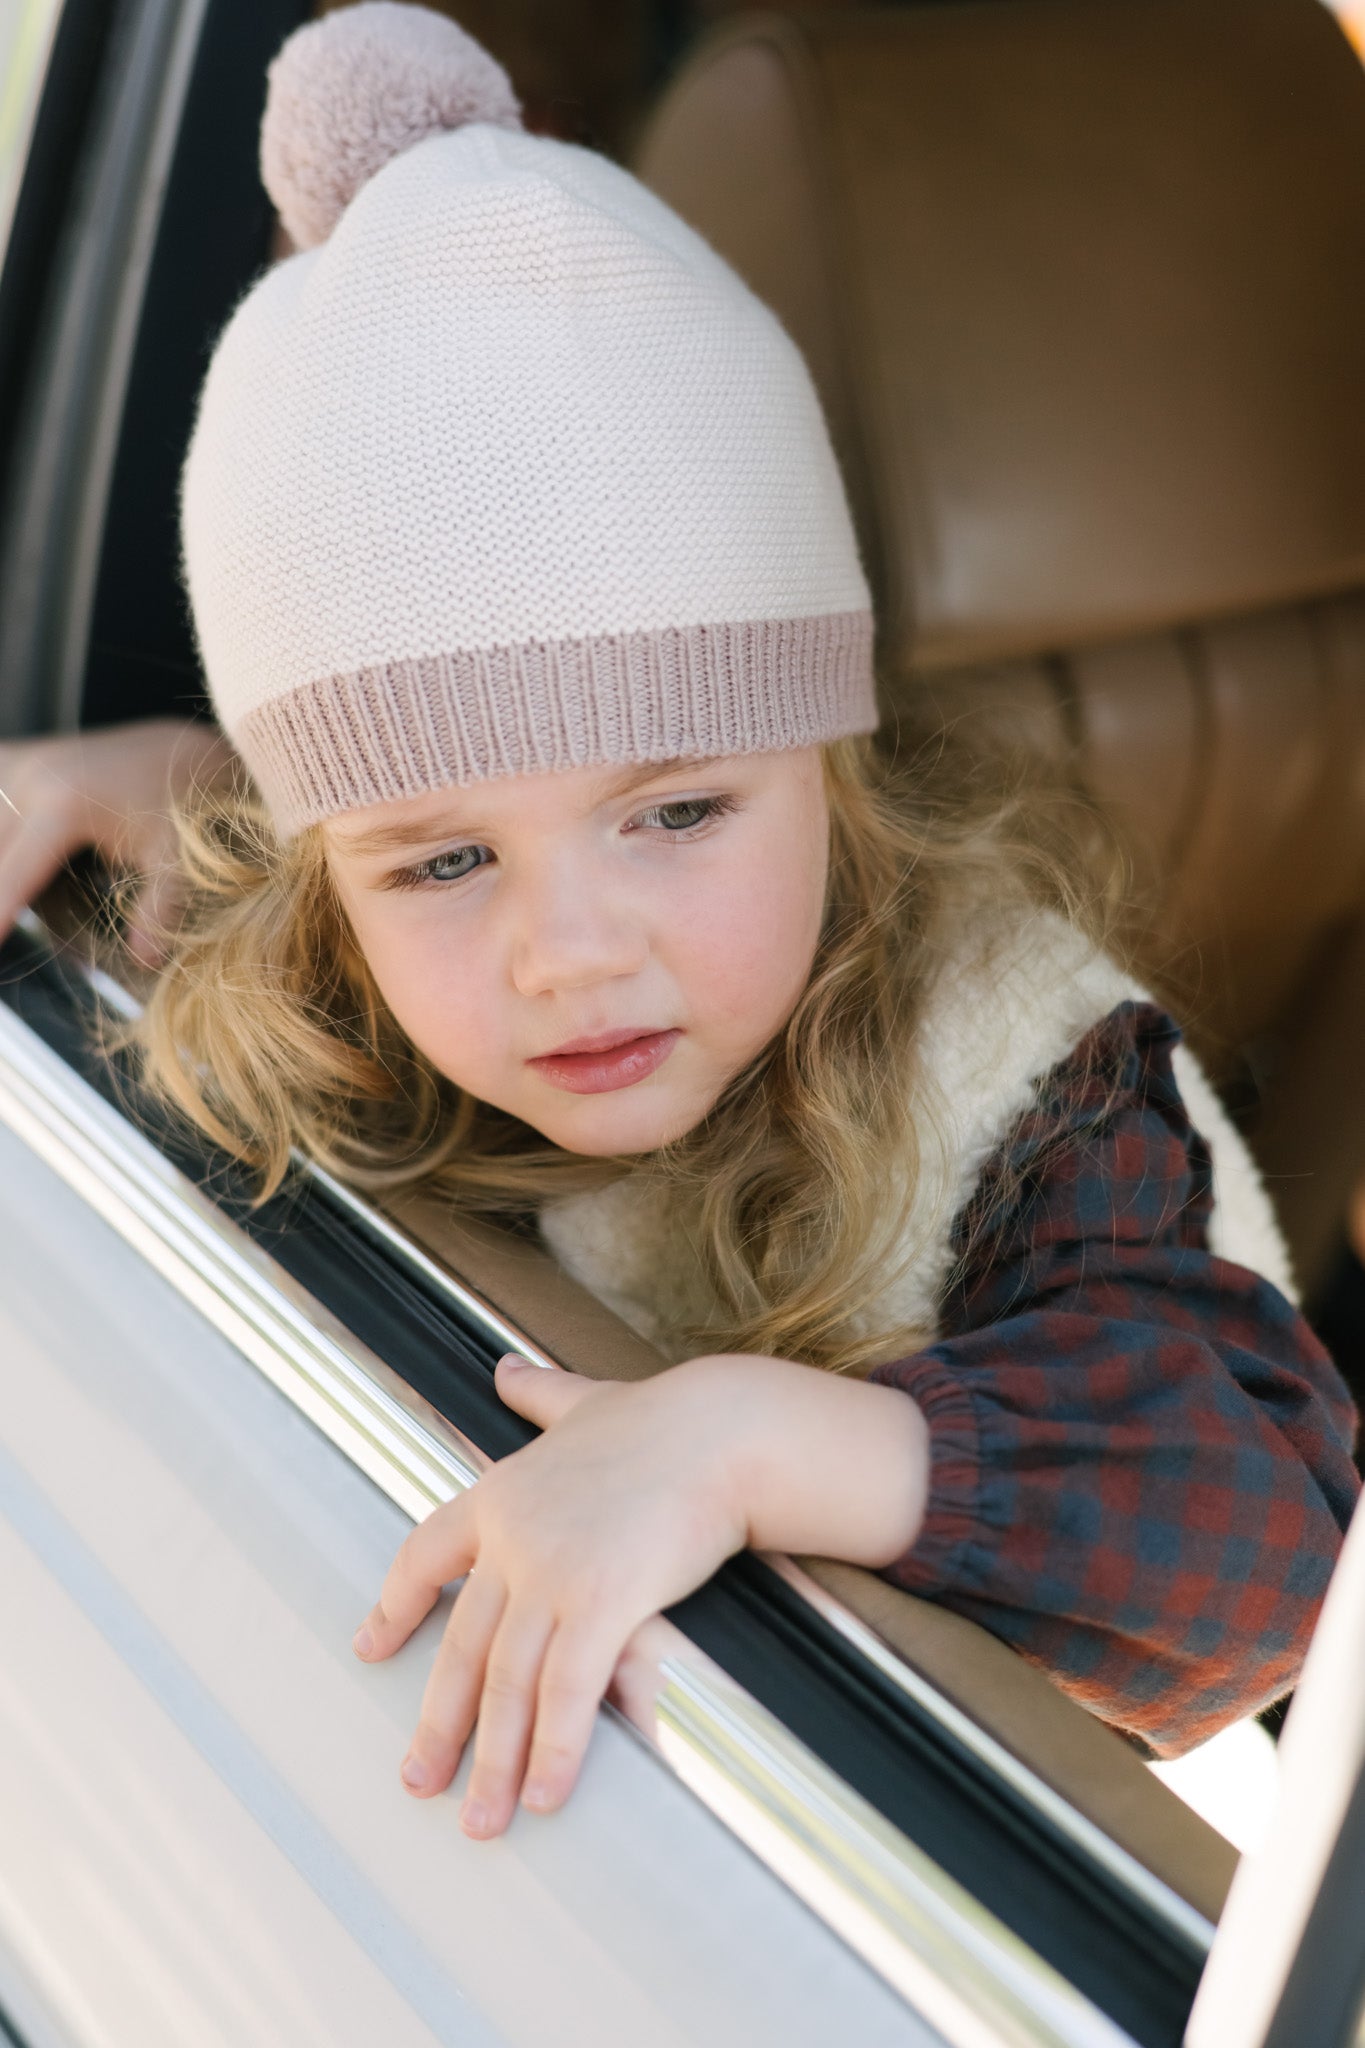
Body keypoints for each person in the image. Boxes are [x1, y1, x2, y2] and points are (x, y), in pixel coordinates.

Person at [0, 2, 1356, 1844]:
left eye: (678, 811)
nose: (569, 952)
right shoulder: (336, 967)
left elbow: (1270, 1533)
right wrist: (179, 779)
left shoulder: (1025, 1079)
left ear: (828, 764)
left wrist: (743, 1439)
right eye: (440, 858)